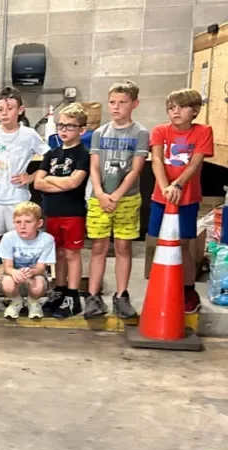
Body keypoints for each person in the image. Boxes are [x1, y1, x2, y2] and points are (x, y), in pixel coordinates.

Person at [84, 80, 149, 320]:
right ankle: (92, 296)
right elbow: (94, 166)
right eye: (112, 102)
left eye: (122, 102)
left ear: (134, 104)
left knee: (123, 246)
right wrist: (100, 193)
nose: (116, 107)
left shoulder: (140, 133)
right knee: (99, 246)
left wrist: (117, 195)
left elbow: (135, 169)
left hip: (127, 198)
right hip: (99, 198)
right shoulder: (99, 133)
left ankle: (121, 295)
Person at [149, 87, 213, 315]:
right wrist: (165, 185)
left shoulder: (203, 131)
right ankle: (162, 284)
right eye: (171, 108)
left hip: (186, 197)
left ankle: (188, 290)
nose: (174, 112)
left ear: (194, 110)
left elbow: (195, 163)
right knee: (161, 241)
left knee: (183, 244)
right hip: (161, 196)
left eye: (181, 107)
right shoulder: (159, 131)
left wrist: (178, 185)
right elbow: (156, 159)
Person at [0, 87, 49, 241]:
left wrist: (32, 177)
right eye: (0, 109)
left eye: (9, 108)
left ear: (20, 110)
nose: (4, 113)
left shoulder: (29, 135)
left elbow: (50, 157)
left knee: (19, 239)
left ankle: (15, 266)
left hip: (17, 197)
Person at [33, 103, 90, 319]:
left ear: (81, 130)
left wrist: (51, 179)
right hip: (52, 212)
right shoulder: (51, 154)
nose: (64, 130)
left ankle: (72, 295)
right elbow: (38, 183)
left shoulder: (83, 154)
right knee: (57, 254)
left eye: (70, 126)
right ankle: (60, 288)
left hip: (72, 212)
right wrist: (61, 181)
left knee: (72, 253)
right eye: (61, 125)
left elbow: (74, 183)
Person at [0, 201, 56, 320]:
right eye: (18, 222)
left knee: (38, 286)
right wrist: (15, 272)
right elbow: (7, 267)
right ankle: (16, 301)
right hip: (14, 275)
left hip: (35, 275)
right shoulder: (8, 237)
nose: (22, 226)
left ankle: (33, 302)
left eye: (28, 222)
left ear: (39, 223)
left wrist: (31, 272)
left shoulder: (47, 239)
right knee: (7, 284)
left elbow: (41, 268)